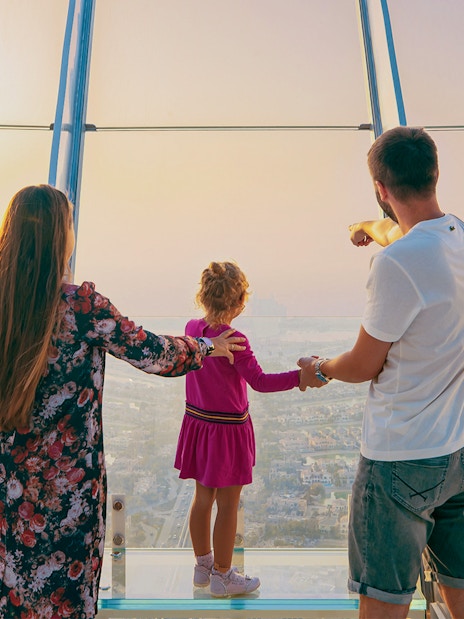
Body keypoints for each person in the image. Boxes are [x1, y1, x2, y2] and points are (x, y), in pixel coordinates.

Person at [0, 185, 246, 619]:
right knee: (67, 602)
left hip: (7, 489)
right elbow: (153, 353)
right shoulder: (80, 307)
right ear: (61, 236)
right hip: (69, 497)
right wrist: (206, 347)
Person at [298, 126, 464, 619]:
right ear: (435, 173)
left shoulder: (395, 264)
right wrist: (375, 226)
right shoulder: (456, 239)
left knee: (384, 605)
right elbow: (421, 242)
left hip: (400, 461)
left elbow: (364, 363)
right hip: (457, 451)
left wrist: (319, 368)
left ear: (381, 188)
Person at [174, 261, 302, 597]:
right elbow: (259, 382)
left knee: (202, 499)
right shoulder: (235, 339)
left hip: (199, 425)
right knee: (228, 505)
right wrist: (300, 379)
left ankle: (203, 567)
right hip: (228, 432)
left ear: (202, 295)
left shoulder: (192, 328)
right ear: (240, 303)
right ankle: (223, 576)